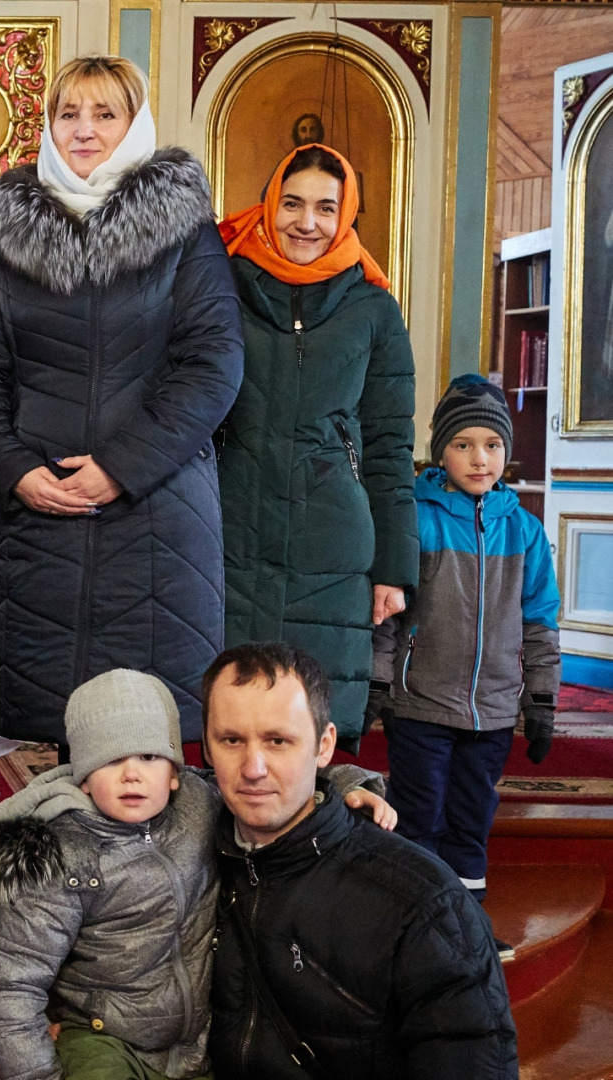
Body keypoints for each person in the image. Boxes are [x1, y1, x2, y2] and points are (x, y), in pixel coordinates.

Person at [0, 55, 243, 749]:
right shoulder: (14, 234)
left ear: (134, 124)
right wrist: (14, 469)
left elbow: (214, 365)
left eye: (104, 114)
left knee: (147, 744)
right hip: (40, 514)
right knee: (47, 742)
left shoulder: (185, 232)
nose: (83, 130)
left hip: (156, 515)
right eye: (67, 114)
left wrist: (118, 466)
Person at [0, 669, 391, 1080]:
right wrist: (38, 1073)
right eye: (111, 759)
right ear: (83, 780)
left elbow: (281, 785)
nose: (132, 773)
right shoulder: (64, 854)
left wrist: (350, 786)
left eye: (150, 756)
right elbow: (11, 979)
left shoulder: (199, 804)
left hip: (197, 1046)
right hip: (102, 1039)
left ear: (174, 773)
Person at [203, 642, 518, 1078]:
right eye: (231, 740)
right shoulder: (189, 853)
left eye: (278, 741)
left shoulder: (423, 902)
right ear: (207, 746)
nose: (253, 767)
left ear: (324, 745)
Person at [217, 144, 417, 752]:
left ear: (346, 216)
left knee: (311, 734)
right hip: (228, 524)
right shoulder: (220, 284)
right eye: (293, 204)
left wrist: (393, 569)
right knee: (227, 722)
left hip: (330, 538)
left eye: (326, 208)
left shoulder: (374, 309)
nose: (308, 222)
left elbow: (390, 446)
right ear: (269, 204)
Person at [371, 375, 560, 925]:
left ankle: (463, 924)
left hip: (494, 712)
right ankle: (415, 923)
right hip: (421, 704)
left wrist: (542, 698)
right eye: (463, 444)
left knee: (472, 815)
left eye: (492, 444)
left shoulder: (524, 532)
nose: (480, 459)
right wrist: (377, 681)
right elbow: (387, 612)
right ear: (441, 450)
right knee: (420, 812)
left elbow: (540, 623)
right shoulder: (415, 518)